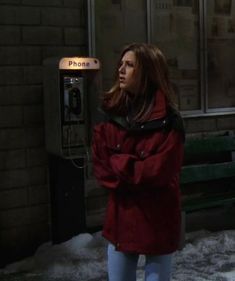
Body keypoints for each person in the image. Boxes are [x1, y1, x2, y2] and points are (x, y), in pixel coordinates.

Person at [92, 43, 185, 281]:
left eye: (130, 65)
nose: (121, 70)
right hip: (122, 220)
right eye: (121, 64)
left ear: (148, 72)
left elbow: (160, 172)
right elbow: (102, 169)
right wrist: (137, 171)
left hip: (158, 221)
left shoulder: (169, 122)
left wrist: (121, 164)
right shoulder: (110, 116)